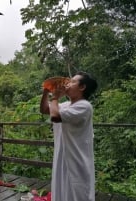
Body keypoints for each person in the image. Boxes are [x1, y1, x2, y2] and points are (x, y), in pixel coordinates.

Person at [40, 71, 98, 201]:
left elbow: (55, 117)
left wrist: (55, 97)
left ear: (82, 87)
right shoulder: (66, 105)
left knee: (77, 194)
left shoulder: (84, 106)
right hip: (63, 158)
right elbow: (44, 110)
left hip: (77, 161)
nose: (67, 84)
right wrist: (46, 91)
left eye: (72, 82)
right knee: (62, 192)